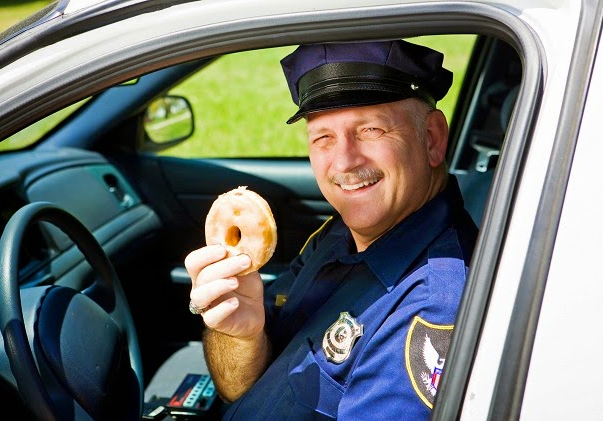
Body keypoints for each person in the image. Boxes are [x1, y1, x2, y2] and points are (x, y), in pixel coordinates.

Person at [185, 40, 478, 419]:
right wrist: (239, 334)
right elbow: (237, 387)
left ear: (432, 139)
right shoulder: (339, 234)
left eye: (371, 129)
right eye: (323, 137)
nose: (344, 162)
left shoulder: (431, 305)